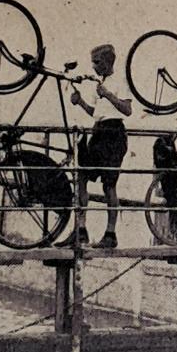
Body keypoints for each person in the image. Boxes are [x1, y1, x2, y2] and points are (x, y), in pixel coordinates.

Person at [59, 44, 132, 249]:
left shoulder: (121, 81)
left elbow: (127, 110)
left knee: (109, 185)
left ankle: (110, 234)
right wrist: (80, 101)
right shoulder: (100, 82)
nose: (93, 66)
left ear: (108, 62)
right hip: (98, 130)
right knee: (82, 175)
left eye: (97, 62)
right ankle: (81, 230)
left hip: (114, 133)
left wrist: (107, 94)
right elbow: (96, 112)